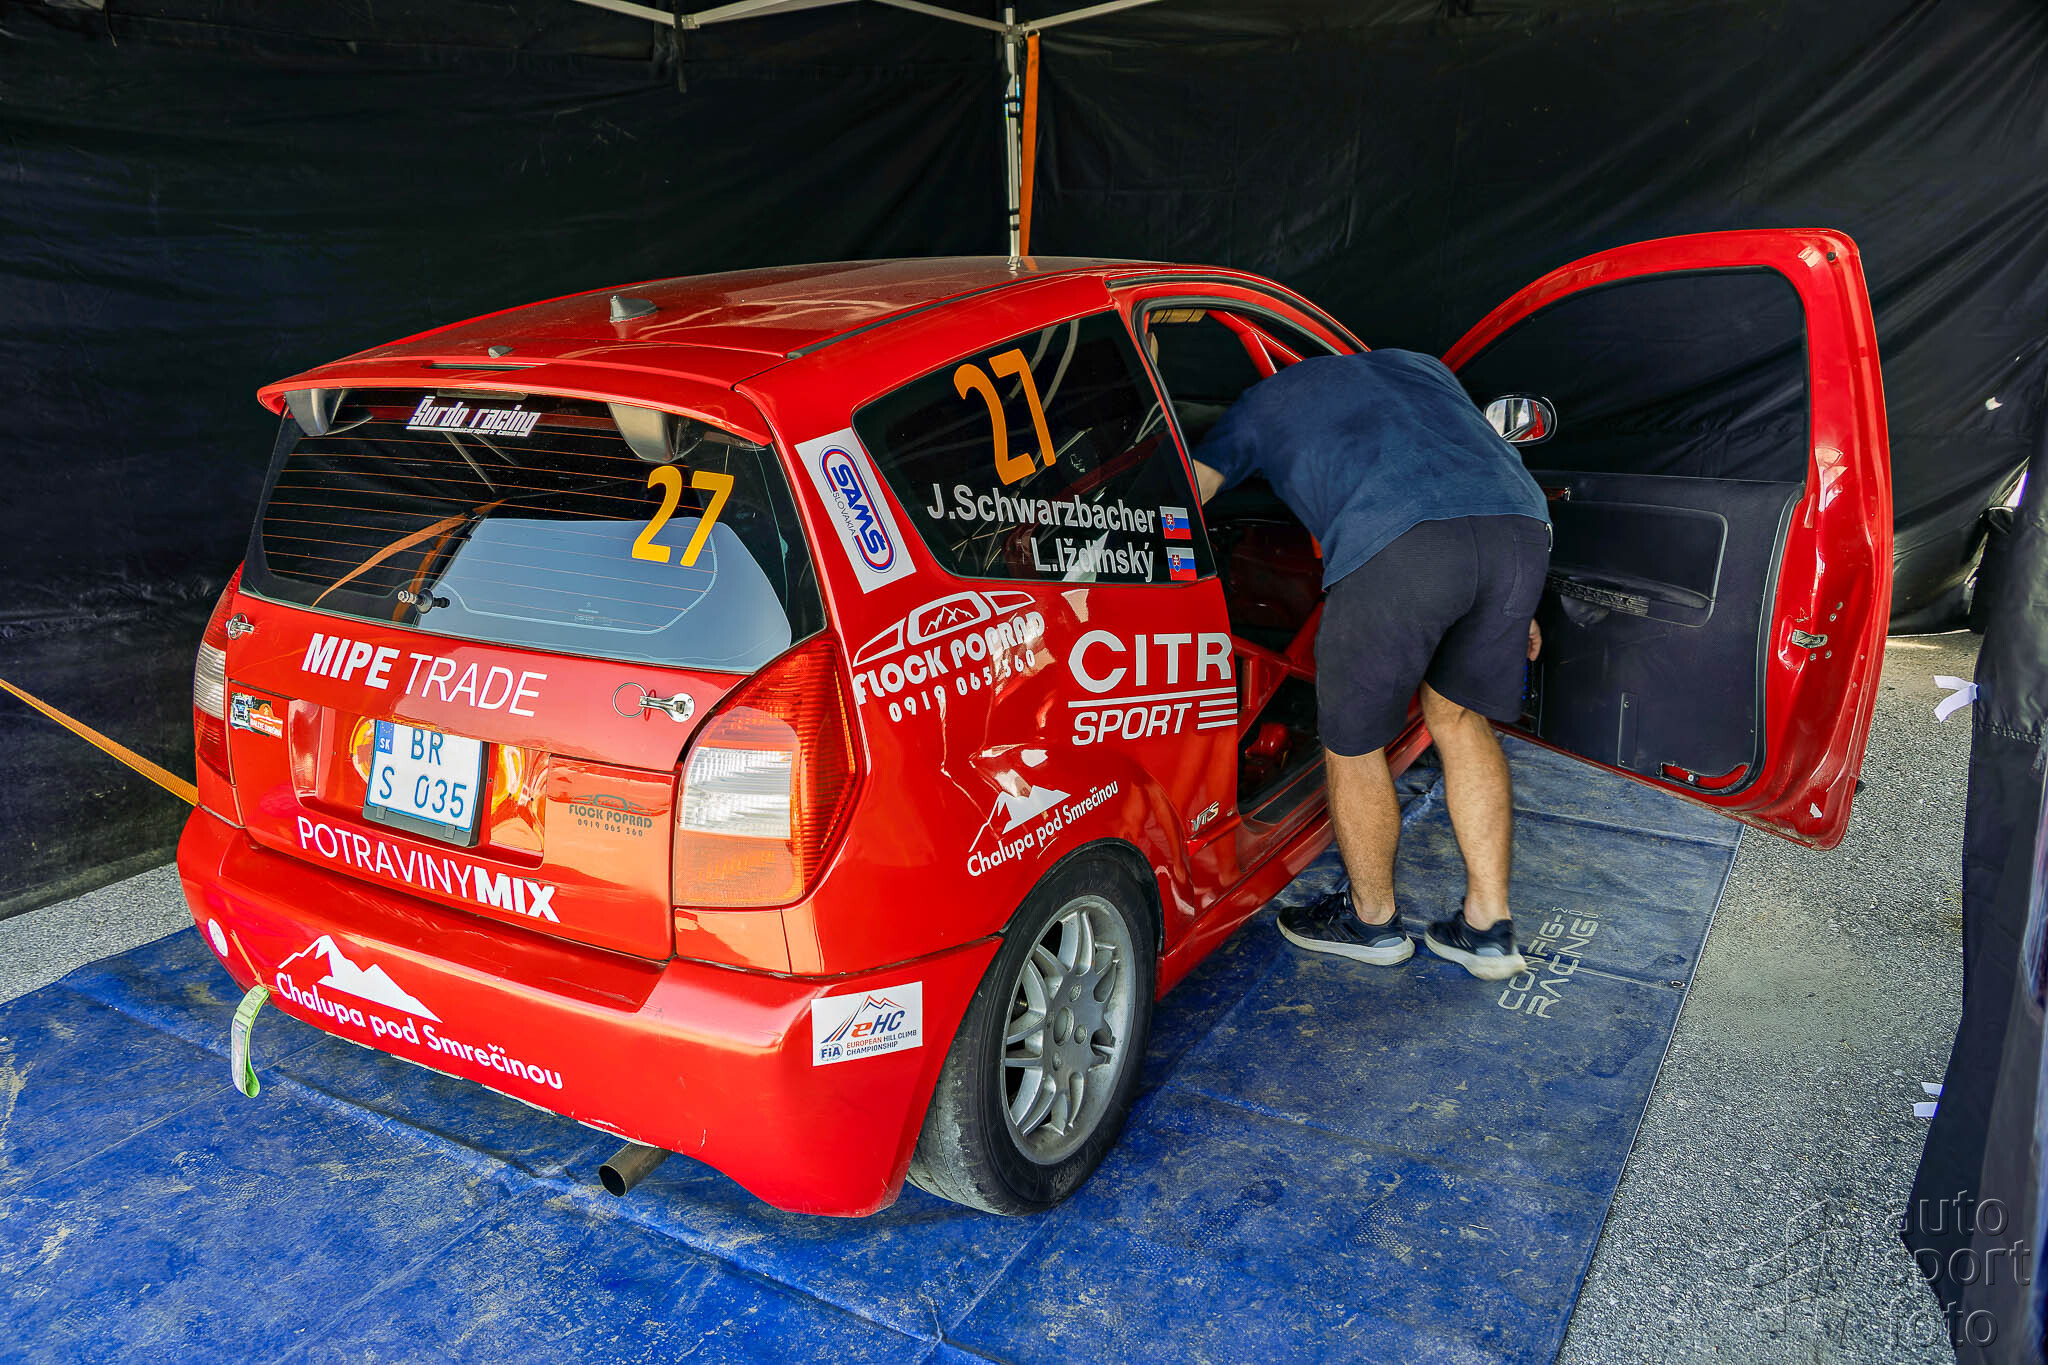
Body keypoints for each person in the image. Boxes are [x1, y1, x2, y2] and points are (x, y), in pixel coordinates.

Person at [1188, 348, 1550, 980]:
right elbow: (1469, 471)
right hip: (1519, 530)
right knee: (1460, 720)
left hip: (1400, 540)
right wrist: (1516, 604)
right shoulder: (1419, 367)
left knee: (1353, 743)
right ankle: (1488, 929)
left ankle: (1371, 921)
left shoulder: (1261, 405)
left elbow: (1186, 495)